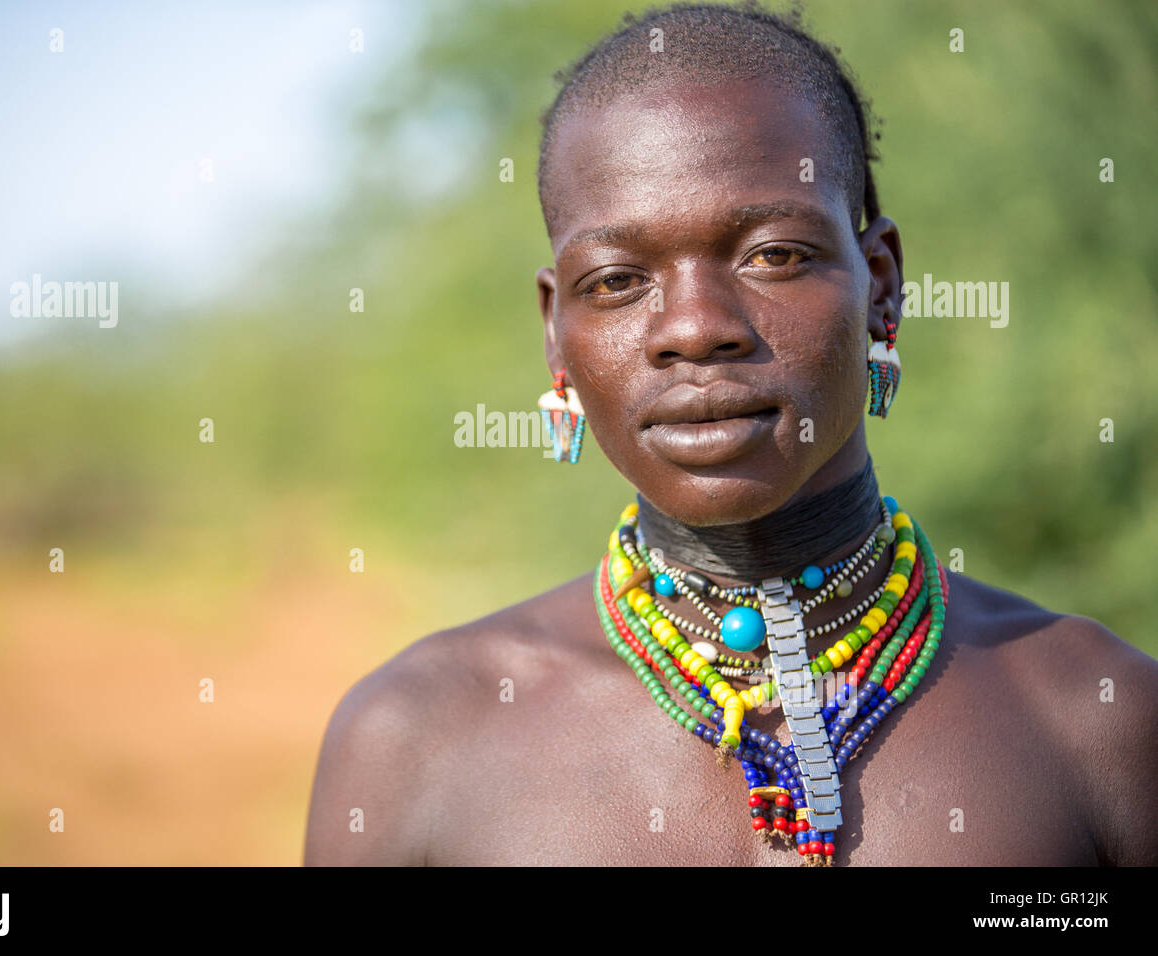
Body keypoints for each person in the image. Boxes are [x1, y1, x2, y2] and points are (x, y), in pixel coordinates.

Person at [304, 1, 1158, 866]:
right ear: (556, 331)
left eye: (774, 254)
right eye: (616, 279)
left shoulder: (1099, 716)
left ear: (883, 285)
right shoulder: (416, 738)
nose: (695, 328)